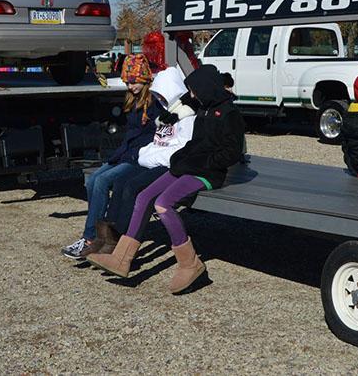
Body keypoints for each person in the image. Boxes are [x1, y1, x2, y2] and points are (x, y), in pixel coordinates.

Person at [87, 64, 245, 294]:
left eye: (194, 90)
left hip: (208, 173)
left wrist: (197, 162)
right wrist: (182, 158)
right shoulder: (204, 108)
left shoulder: (229, 114)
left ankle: (189, 263)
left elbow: (231, 153)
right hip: (189, 165)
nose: (191, 95)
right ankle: (122, 259)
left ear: (206, 88)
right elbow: (193, 141)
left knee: (163, 204)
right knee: (143, 197)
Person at [61, 54, 160, 260]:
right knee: (93, 181)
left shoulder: (154, 103)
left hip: (140, 158)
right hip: (125, 154)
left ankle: (90, 238)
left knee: (103, 181)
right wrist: (117, 155)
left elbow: (154, 137)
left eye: (133, 81)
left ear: (144, 78)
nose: (130, 86)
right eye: (127, 82)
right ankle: (99, 232)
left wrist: (129, 155)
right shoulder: (133, 100)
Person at [93, 67, 198, 254]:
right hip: (152, 160)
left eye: (163, 95)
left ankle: (120, 239)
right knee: (119, 183)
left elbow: (180, 148)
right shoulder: (167, 112)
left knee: (132, 187)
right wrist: (146, 154)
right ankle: (106, 235)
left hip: (167, 165)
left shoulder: (186, 116)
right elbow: (159, 142)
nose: (161, 99)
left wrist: (149, 155)